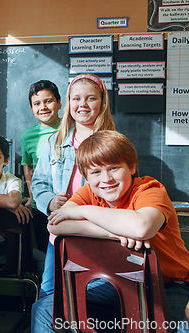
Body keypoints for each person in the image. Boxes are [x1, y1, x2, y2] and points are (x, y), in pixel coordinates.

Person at [32, 130, 189, 333]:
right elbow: (54, 225)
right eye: (96, 172)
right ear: (87, 176)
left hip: (169, 284)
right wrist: (113, 234)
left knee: (177, 327)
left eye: (114, 168)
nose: (106, 179)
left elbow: (141, 227)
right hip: (116, 283)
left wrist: (84, 210)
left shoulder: (151, 191)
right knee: (45, 309)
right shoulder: (89, 192)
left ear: (132, 167)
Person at [31, 74, 115, 299]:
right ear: (68, 103)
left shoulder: (112, 144)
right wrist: (49, 200)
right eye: (76, 98)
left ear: (102, 102)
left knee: (89, 295)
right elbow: (39, 182)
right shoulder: (56, 142)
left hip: (95, 235)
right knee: (49, 293)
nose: (83, 105)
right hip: (58, 236)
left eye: (91, 98)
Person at [20, 80, 61, 253]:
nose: (42, 107)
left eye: (48, 101)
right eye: (37, 103)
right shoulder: (28, 136)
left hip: (68, 202)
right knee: (47, 253)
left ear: (59, 103)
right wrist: (31, 195)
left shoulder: (72, 129)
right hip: (41, 206)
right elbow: (27, 166)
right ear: (31, 108)